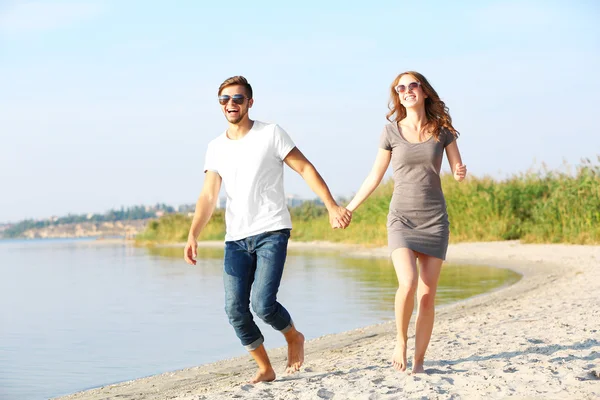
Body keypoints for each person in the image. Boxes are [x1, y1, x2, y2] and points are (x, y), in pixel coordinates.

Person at [183, 76, 352, 384]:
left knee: (262, 303)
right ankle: (265, 367)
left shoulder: (270, 133)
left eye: (237, 98)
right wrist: (193, 233)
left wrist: (331, 205)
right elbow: (208, 195)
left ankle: (292, 336)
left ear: (250, 102)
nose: (230, 104)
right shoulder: (216, 147)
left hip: (272, 229)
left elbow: (304, 167)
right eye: (224, 99)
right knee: (235, 310)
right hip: (235, 238)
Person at [346, 71, 467, 374]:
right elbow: (374, 176)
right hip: (401, 218)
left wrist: (460, 172)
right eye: (400, 88)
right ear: (398, 95)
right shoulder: (390, 132)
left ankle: (420, 359)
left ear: (424, 92)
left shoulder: (443, 130)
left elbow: (455, 167)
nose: (406, 90)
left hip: (434, 220)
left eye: (412, 85)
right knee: (408, 283)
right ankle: (400, 340)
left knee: (427, 296)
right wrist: (349, 208)